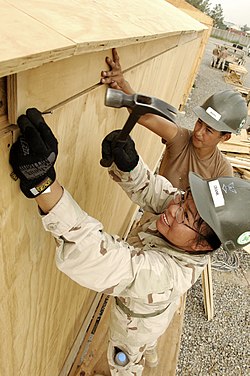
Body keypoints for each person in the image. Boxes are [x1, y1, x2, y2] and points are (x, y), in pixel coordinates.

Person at [9, 109, 250, 375]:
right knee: (151, 339)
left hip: (136, 323)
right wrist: (130, 165)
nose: (173, 209)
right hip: (157, 310)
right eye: (184, 199)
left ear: (203, 246)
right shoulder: (187, 220)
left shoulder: (167, 275)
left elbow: (101, 257)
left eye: (185, 215)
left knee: (123, 361)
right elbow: (157, 192)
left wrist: (42, 185)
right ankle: (152, 354)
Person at [100, 49, 248, 191]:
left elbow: (218, 212)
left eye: (209, 130)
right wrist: (123, 83)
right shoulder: (180, 138)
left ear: (225, 137)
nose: (198, 132)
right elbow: (145, 116)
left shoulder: (222, 170)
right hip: (153, 213)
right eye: (199, 122)